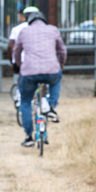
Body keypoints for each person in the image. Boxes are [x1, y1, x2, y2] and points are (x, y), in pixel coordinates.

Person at [13, 9, 66, 147]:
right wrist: (61, 64)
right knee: (56, 79)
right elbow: (62, 50)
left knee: (25, 102)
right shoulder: (53, 30)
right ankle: (51, 106)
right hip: (51, 70)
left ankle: (28, 135)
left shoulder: (24, 31)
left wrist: (19, 66)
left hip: (29, 72)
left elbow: (16, 52)